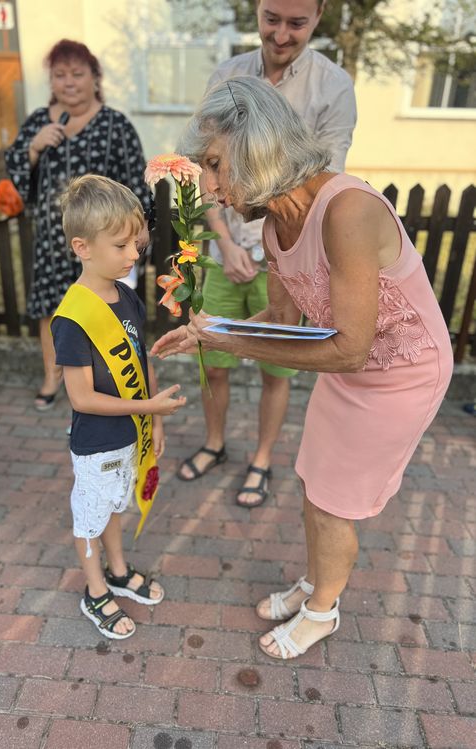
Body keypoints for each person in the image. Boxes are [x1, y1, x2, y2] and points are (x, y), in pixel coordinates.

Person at [152, 77, 453, 659]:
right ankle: (316, 583)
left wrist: (236, 345)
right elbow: (282, 317)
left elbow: (349, 348)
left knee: (333, 502)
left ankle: (322, 613)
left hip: (403, 374)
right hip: (351, 367)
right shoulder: (273, 226)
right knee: (315, 483)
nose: (209, 188)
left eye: (213, 164)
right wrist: (210, 332)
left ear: (257, 143)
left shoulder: (348, 210)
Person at [176, 0, 357, 509]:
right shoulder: (227, 75)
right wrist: (226, 242)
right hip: (229, 250)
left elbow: (321, 182)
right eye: (271, 18)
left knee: (277, 369)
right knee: (213, 362)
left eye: (296, 23)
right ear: (257, 9)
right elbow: (205, 168)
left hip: (288, 249)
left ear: (319, 16)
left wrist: (270, 253)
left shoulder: (333, 87)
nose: (280, 34)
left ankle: (261, 458)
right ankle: (215, 442)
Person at [52, 174, 186, 639]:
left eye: (136, 244)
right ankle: (94, 591)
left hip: (129, 435)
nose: (134, 255)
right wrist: (148, 407)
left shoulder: (125, 295)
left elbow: (142, 358)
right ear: (82, 247)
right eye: (121, 245)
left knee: (114, 506)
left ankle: (117, 570)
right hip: (96, 444)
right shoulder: (73, 318)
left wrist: (153, 421)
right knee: (90, 518)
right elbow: (82, 398)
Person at [5, 39, 154, 412]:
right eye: (60, 75)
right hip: (54, 242)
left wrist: (140, 227)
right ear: (51, 81)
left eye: (77, 74)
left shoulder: (115, 124)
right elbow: (18, 179)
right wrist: (34, 148)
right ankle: (52, 376)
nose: (69, 82)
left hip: (103, 241)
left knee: (106, 306)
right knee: (53, 308)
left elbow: (136, 180)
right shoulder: (39, 121)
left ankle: (106, 380)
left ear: (94, 77)